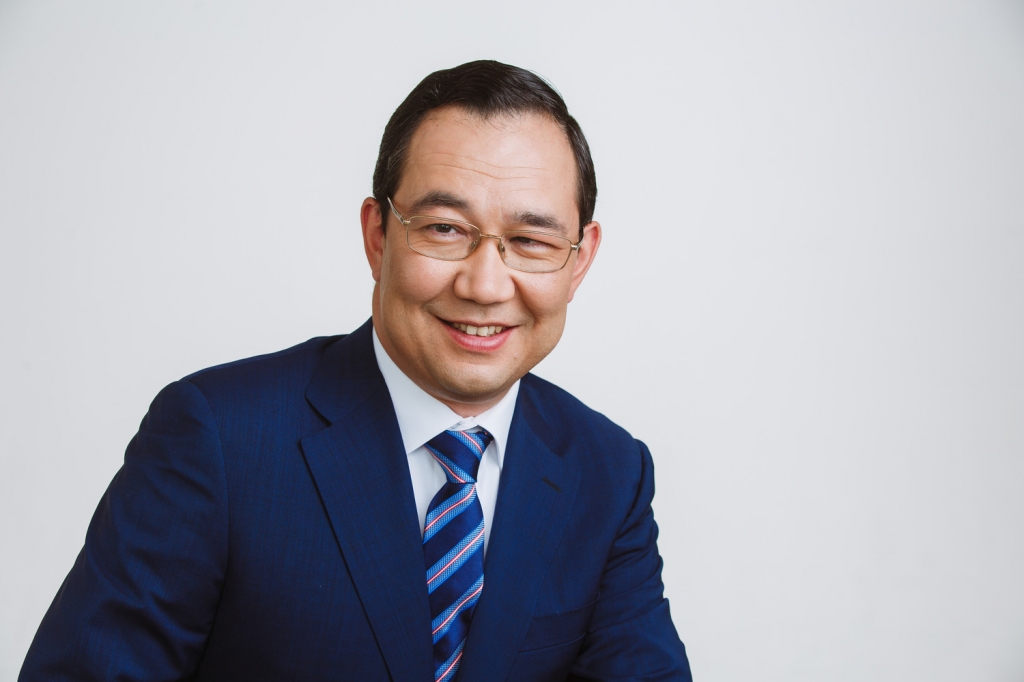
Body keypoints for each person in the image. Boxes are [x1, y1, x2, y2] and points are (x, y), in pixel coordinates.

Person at [20, 60, 692, 682]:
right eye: (444, 229)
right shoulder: (217, 439)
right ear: (378, 236)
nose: (486, 285)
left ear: (579, 260)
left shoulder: (609, 472)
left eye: (531, 241)